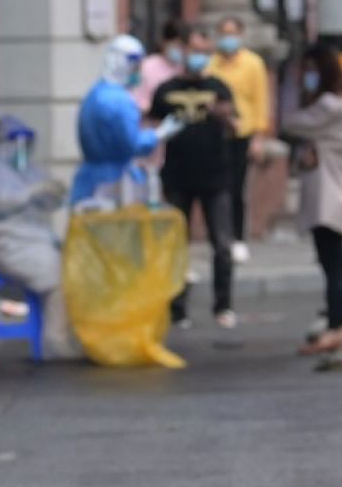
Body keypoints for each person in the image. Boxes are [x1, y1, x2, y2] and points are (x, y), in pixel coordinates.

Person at [149, 26, 238, 329]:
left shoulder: (219, 87)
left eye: (205, 53)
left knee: (222, 244)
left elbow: (235, 126)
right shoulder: (165, 90)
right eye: (195, 51)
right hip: (177, 176)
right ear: (183, 50)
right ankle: (177, 308)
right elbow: (150, 123)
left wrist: (223, 115)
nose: (200, 58)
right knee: (176, 245)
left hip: (215, 175)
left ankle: (223, 306)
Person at [281, 43, 342, 354]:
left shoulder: (330, 105)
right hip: (336, 188)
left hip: (330, 192)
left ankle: (337, 326)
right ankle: (337, 323)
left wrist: (293, 93)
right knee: (335, 261)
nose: (306, 76)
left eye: (310, 70)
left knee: (333, 262)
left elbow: (292, 123)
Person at [72, 35, 183, 205]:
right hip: (116, 184)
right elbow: (132, 144)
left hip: (89, 180)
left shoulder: (94, 94)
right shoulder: (121, 101)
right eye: (136, 67)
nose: (139, 72)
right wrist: (160, 133)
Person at [0, 116, 64, 295]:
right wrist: (32, 191)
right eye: (18, 144)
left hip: (34, 241)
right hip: (8, 247)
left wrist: (53, 192)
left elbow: (48, 203)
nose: (22, 150)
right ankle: (52, 324)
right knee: (57, 278)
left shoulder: (26, 171)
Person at [206, 16, 272, 265]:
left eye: (232, 33)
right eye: (223, 33)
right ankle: (220, 236)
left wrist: (258, 137)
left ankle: (238, 238)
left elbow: (260, 101)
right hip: (216, 134)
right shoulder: (212, 64)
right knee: (218, 188)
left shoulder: (253, 64)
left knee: (237, 188)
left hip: (242, 133)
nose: (227, 39)